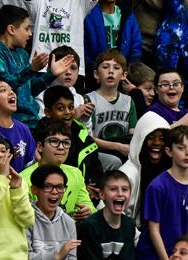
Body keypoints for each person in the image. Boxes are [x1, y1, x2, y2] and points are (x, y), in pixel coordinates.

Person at [0, 4, 75, 128]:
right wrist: (30, 69)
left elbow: (30, 90)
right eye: (26, 29)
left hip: (32, 120)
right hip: (11, 123)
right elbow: (4, 89)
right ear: (11, 29)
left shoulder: (22, 53)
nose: (30, 34)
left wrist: (51, 74)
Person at [21, 118, 95, 219]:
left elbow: (87, 205)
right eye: (54, 141)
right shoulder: (24, 179)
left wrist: (88, 210)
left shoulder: (75, 173)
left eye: (66, 142)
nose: (61, 147)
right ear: (40, 146)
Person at [137, 126, 188, 259]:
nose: (187, 153)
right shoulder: (157, 187)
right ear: (169, 151)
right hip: (155, 255)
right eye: (181, 148)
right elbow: (154, 230)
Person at [84, 0, 142, 78]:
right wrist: (94, 68)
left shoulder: (128, 15)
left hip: (123, 73)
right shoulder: (88, 15)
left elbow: (136, 46)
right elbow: (84, 46)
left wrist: (127, 69)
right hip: (95, 73)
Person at [83, 50, 137, 166]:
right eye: (105, 67)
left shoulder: (128, 101)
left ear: (124, 75)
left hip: (123, 149)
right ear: (96, 74)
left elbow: (132, 134)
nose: (111, 71)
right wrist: (117, 147)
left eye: (116, 68)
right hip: (97, 151)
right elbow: (88, 138)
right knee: (115, 162)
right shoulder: (88, 99)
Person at [119, 111, 170, 223]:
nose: (156, 143)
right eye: (151, 138)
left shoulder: (171, 170)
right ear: (140, 140)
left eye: (161, 139)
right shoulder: (127, 174)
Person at [0, 76, 36, 172]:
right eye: (3, 90)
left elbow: (30, 165)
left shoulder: (23, 129)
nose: (11, 92)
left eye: (11, 89)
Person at [77, 169, 137, 260]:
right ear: (102, 194)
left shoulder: (130, 224)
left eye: (125, 189)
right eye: (113, 189)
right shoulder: (90, 226)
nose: (120, 194)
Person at [27, 165, 79, 260]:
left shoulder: (69, 222)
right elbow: (23, 256)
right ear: (34, 190)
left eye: (60, 187)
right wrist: (56, 256)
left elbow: (72, 257)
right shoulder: (25, 218)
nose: (55, 192)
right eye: (47, 186)